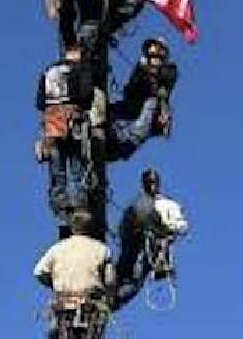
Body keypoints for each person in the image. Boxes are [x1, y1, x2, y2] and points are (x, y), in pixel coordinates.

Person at [35, 44, 97, 219]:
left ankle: (60, 205)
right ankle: (80, 205)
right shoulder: (80, 69)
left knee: (57, 167)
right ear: (77, 53)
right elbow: (86, 95)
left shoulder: (49, 71)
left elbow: (40, 102)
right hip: (72, 120)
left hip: (52, 123)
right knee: (77, 165)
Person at [113, 169, 189, 309]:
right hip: (139, 247)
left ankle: (111, 297)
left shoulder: (157, 204)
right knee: (131, 279)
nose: (152, 185)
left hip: (143, 247)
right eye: (150, 182)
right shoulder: (143, 204)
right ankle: (112, 300)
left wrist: (169, 230)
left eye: (153, 182)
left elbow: (182, 227)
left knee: (127, 277)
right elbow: (182, 227)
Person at [35, 209, 116, 338]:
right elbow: (110, 281)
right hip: (90, 308)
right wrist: (109, 300)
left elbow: (39, 272)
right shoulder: (102, 249)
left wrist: (53, 283)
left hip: (63, 306)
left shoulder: (57, 248)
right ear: (90, 228)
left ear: (72, 228)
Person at [114, 38, 180, 138]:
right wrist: (141, 69)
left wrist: (151, 69)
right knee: (109, 111)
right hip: (134, 105)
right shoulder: (141, 67)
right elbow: (132, 85)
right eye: (150, 49)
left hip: (154, 109)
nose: (152, 50)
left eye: (156, 48)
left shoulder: (170, 69)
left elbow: (166, 79)